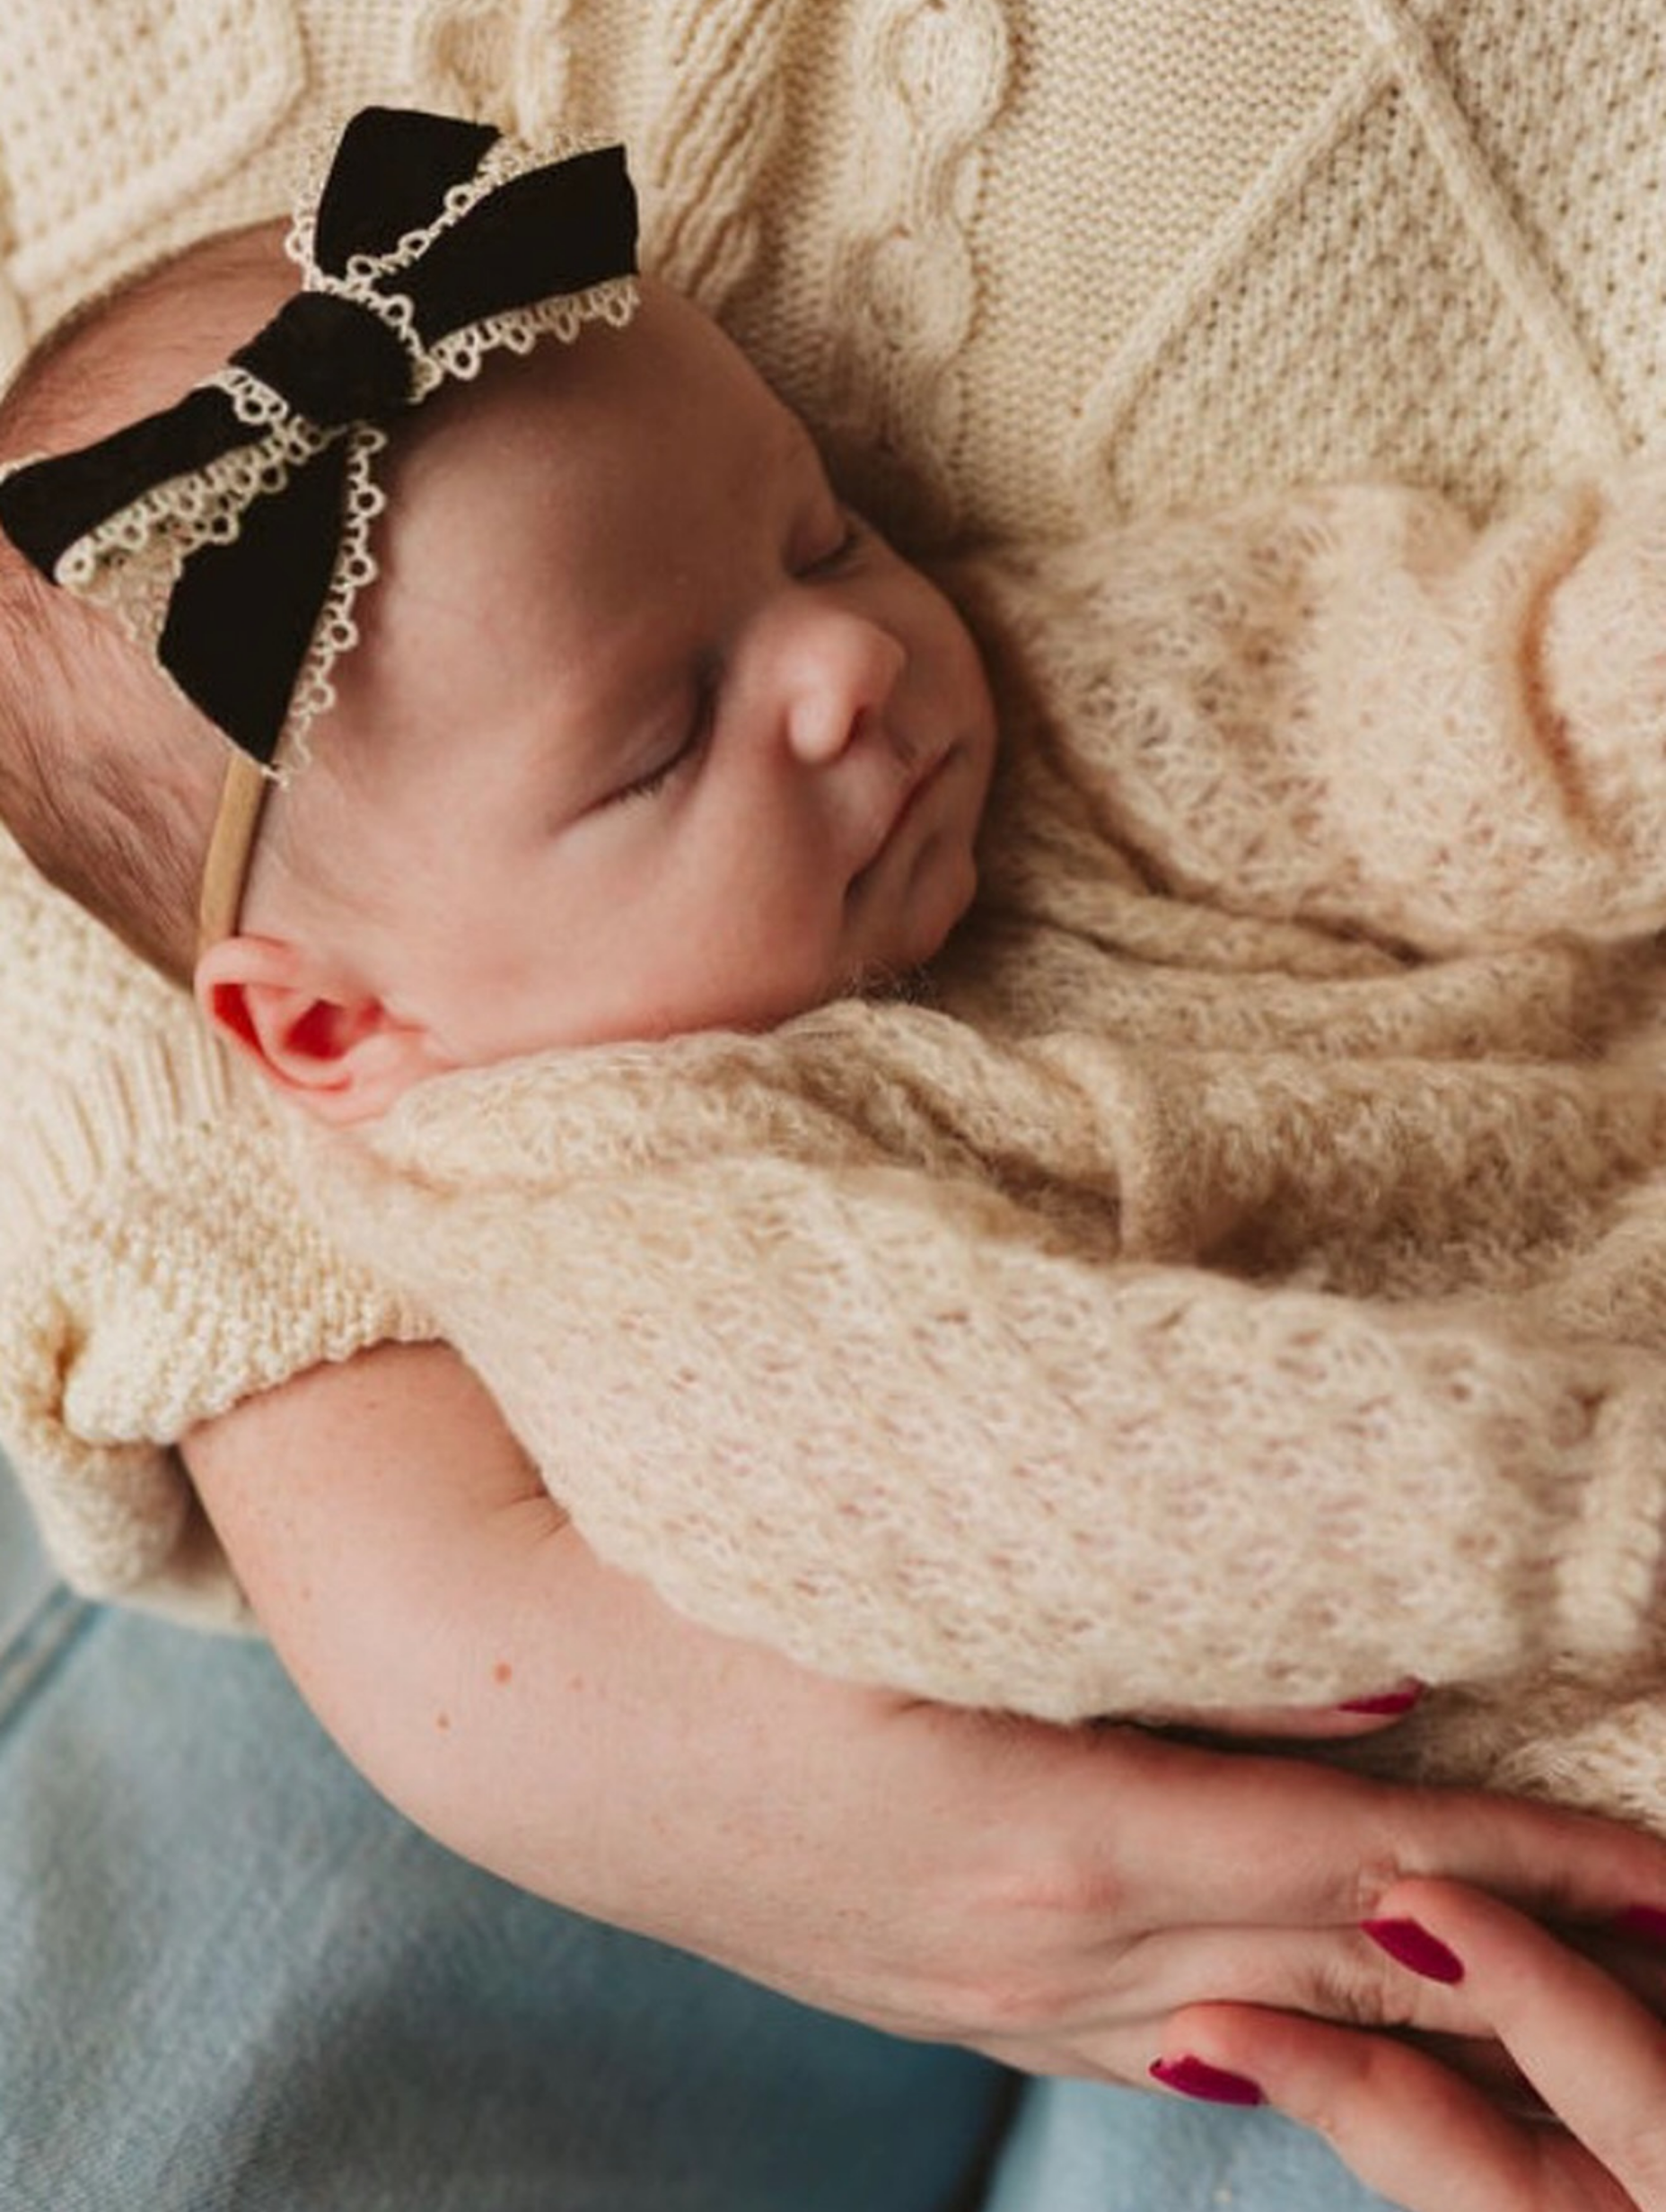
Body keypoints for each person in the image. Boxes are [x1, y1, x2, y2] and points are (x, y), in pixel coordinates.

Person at [10, 10, 1666, 2210]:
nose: (841, 665)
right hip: (1476, 1656)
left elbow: (1406, 701)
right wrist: (1605, 1509)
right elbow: (1095, 1457)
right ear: (332, 1031)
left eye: (820, 530)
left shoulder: (995, 709)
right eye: (658, 737)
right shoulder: (630, 1241)